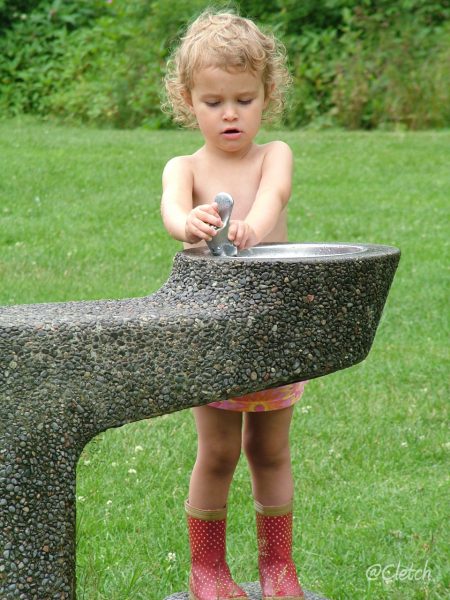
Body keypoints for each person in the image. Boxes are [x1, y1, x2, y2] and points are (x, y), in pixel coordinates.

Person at [161, 9, 306, 600]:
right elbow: (172, 213)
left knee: (269, 449)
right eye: (214, 100)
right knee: (218, 450)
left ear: (266, 97)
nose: (229, 114)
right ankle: (208, 571)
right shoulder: (186, 167)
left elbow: (273, 200)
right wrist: (189, 222)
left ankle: (277, 567)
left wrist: (252, 225)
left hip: (271, 329)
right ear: (187, 99)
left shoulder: (274, 154)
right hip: (210, 329)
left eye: (244, 100)